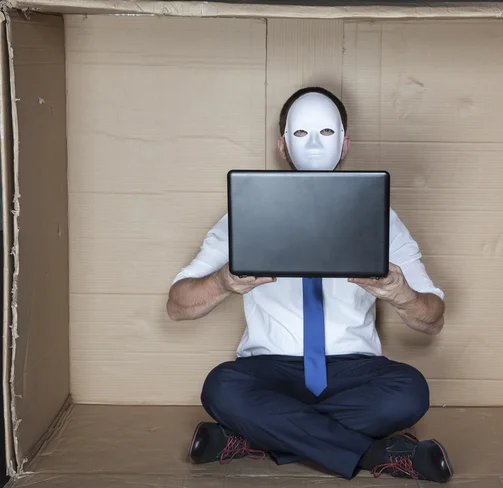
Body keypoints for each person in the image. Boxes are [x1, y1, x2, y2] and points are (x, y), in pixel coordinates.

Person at [167, 87, 453, 483]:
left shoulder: (382, 217)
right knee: (221, 387)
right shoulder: (245, 213)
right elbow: (177, 304)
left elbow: (433, 318)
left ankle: (258, 437)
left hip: (354, 372)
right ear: (282, 146)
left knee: (411, 390)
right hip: (268, 372)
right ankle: (374, 453)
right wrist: (222, 282)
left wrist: (402, 295)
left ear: (346, 144)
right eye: (301, 134)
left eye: (326, 133)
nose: (315, 144)